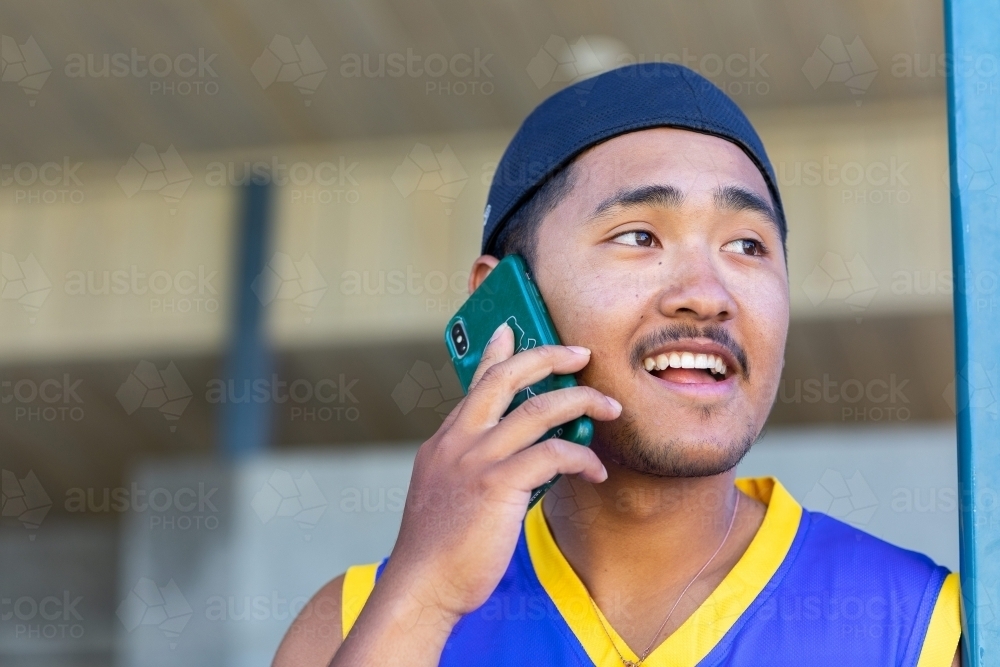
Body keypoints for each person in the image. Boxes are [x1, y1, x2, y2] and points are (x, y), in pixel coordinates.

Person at [273, 63, 961, 667]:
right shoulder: (348, 626)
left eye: (748, 245)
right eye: (640, 235)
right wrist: (426, 597)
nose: (705, 294)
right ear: (503, 298)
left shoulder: (929, 629)